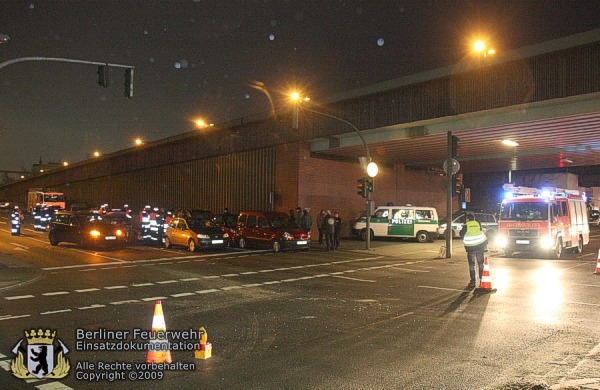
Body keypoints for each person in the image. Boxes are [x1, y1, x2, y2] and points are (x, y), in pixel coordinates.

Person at [460, 213, 488, 288]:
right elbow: (480, 231)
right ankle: (482, 280)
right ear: (474, 218)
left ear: (467, 219)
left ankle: (473, 282)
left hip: (471, 248)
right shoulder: (478, 224)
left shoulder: (466, 225)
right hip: (480, 246)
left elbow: (461, 234)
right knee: (480, 264)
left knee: (472, 265)